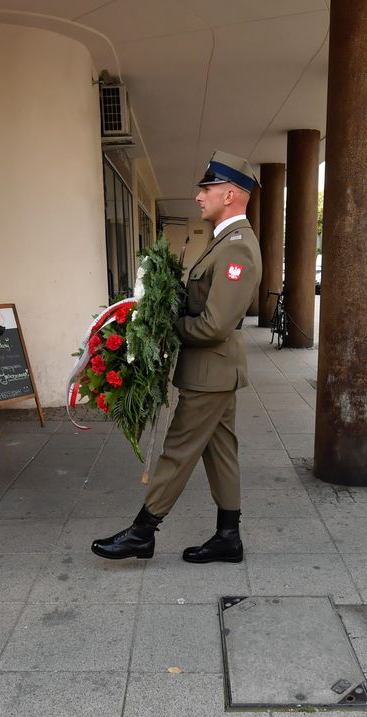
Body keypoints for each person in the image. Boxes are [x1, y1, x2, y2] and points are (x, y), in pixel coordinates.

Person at [92, 151, 261, 563]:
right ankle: (228, 536)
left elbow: (214, 325)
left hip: (211, 372)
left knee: (178, 450)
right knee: (221, 451)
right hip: (215, 371)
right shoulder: (222, 243)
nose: (199, 196)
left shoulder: (237, 249)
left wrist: (164, 330)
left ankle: (142, 532)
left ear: (232, 193)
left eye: (207, 188)